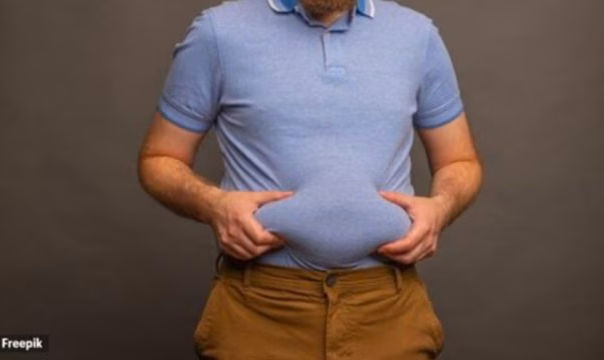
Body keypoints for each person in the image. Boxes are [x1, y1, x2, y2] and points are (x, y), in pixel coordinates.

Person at [137, 0, 483, 358]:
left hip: (387, 309)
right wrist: (213, 205)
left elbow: (460, 160)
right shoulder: (218, 33)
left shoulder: (417, 36)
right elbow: (159, 159)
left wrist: (441, 208)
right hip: (259, 310)